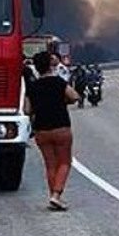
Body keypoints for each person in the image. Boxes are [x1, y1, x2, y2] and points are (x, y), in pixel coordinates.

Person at [25, 51, 79, 211]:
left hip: (41, 129)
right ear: (50, 65)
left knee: (50, 165)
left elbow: (27, 109)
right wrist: (63, 101)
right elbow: (75, 96)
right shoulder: (58, 82)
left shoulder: (32, 87)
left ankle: (54, 197)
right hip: (61, 126)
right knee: (64, 162)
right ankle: (56, 195)